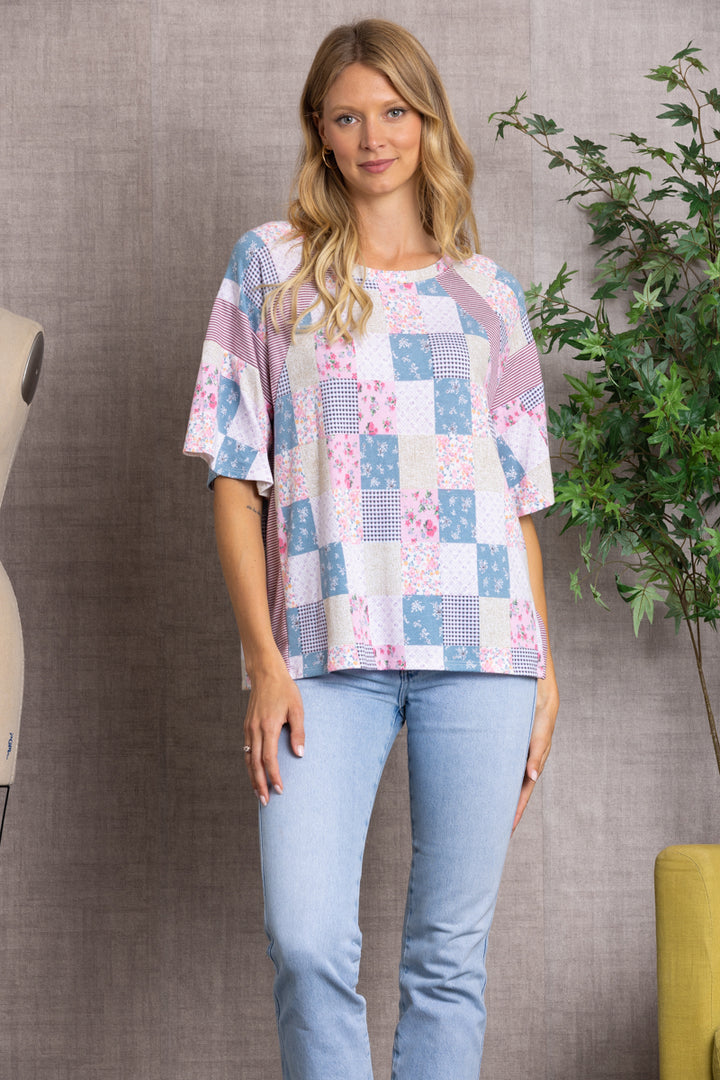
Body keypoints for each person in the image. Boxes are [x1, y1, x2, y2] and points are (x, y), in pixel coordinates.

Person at [184, 18, 559, 1080]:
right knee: (307, 942)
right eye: (347, 117)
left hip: (483, 653)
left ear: (427, 121)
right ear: (320, 129)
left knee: (448, 959)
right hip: (320, 653)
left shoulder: (490, 296)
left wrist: (545, 670)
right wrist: (264, 663)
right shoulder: (271, 267)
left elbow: (518, 502)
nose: (373, 137)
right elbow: (233, 477)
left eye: (394, 112)